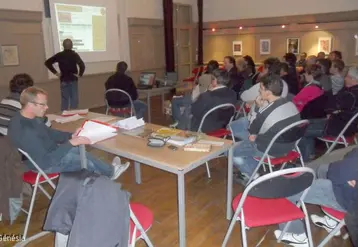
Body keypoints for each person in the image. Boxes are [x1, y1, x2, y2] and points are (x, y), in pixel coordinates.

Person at [7, 87, 129, 180]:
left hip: (48, 154)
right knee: (83, 158)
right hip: (43, 165)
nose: (47, 107)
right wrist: (71, 143)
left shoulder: (26, 117)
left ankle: (109, 170)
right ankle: (110, 174)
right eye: (43, 104)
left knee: (78, 151)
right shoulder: (25, 130)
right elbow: (46, 161)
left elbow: (50, 133)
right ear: (30, 104)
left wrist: (70, 136)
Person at [274, 147, 358, 247]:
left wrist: (344, 170)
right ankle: (332, 222)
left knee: (287, 191)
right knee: (323, 169)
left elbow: (333, 173)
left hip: (347, 202)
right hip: (351, 198)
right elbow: (349, 155)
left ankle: (298, 235)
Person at [232, 74, 300, 182]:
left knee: (230, 151)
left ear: (268, 92)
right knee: (245, 145)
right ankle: (252, 169)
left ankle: (254, 177)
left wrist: (257, 107)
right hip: (289, 147)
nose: (259, 92)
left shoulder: (266, 112)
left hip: (270, 150)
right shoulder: (291, 104)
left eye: (261, 89)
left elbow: (252, 133)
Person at [299, 66, 358, 161]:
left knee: (300, 130)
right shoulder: (351, 91)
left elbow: (331, 107)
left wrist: (332, 111)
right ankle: (310, 154)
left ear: (353, 79)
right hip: (345, 125)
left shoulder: (350, 94)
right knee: (305, 122)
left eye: (347, 76)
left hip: (337, 126)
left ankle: (306, 159)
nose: (345, 78)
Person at [170, 60, 219, 128]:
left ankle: (178, 121)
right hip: (203, 99)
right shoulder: (218, 78)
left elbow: (199, 89)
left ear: (207, 68)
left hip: (196, 99)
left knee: (175, 101)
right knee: (186, 98)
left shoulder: (204, 77)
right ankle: (182, 120)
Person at [45, 39, 85, 111]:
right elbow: (82, 65)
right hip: (73, 79)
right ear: (72, 46)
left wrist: (56, 73)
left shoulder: (60, 55)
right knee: (74, 99)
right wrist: (80, 74)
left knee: (65, 99)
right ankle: (74, 115)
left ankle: (63, 116)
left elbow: (47, 62)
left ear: (63, 46)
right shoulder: (74, 55)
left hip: (63, 79)